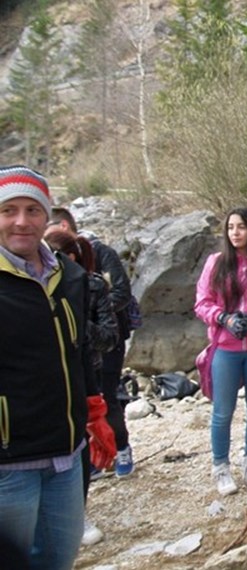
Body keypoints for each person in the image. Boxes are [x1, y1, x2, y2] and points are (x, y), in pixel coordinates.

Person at [0, 165, 116, 569]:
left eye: (33, 210)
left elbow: (79, 351)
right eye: (8, 209)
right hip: (8, 465)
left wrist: (95, 411)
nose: (21, 221)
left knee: (58, 561)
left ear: (47, 216)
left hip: (67, 459)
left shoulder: (68, 276)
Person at [194, 207, 247, 499]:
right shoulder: (216, 263)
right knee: (222, 411)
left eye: (241, 227)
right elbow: (202, 302)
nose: (235, 233)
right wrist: (223, 318)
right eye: (231, 227)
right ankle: (220, 466)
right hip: (226, 348)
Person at [48, 206, 136, 478]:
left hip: (108, 343)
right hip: (74, 355)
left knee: (106, 398)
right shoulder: (44, 285)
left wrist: (78, 317)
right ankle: (92, 458)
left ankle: (120, 449)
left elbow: (121, 292)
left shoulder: (100, 260)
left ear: (63, 226)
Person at [44, 231, 119, 546]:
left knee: (80, 448)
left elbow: (109, 335)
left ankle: (78, 512)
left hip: (86, 375)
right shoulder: (25, 287)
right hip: (42, 381)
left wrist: (71, 320)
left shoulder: (89, 285)